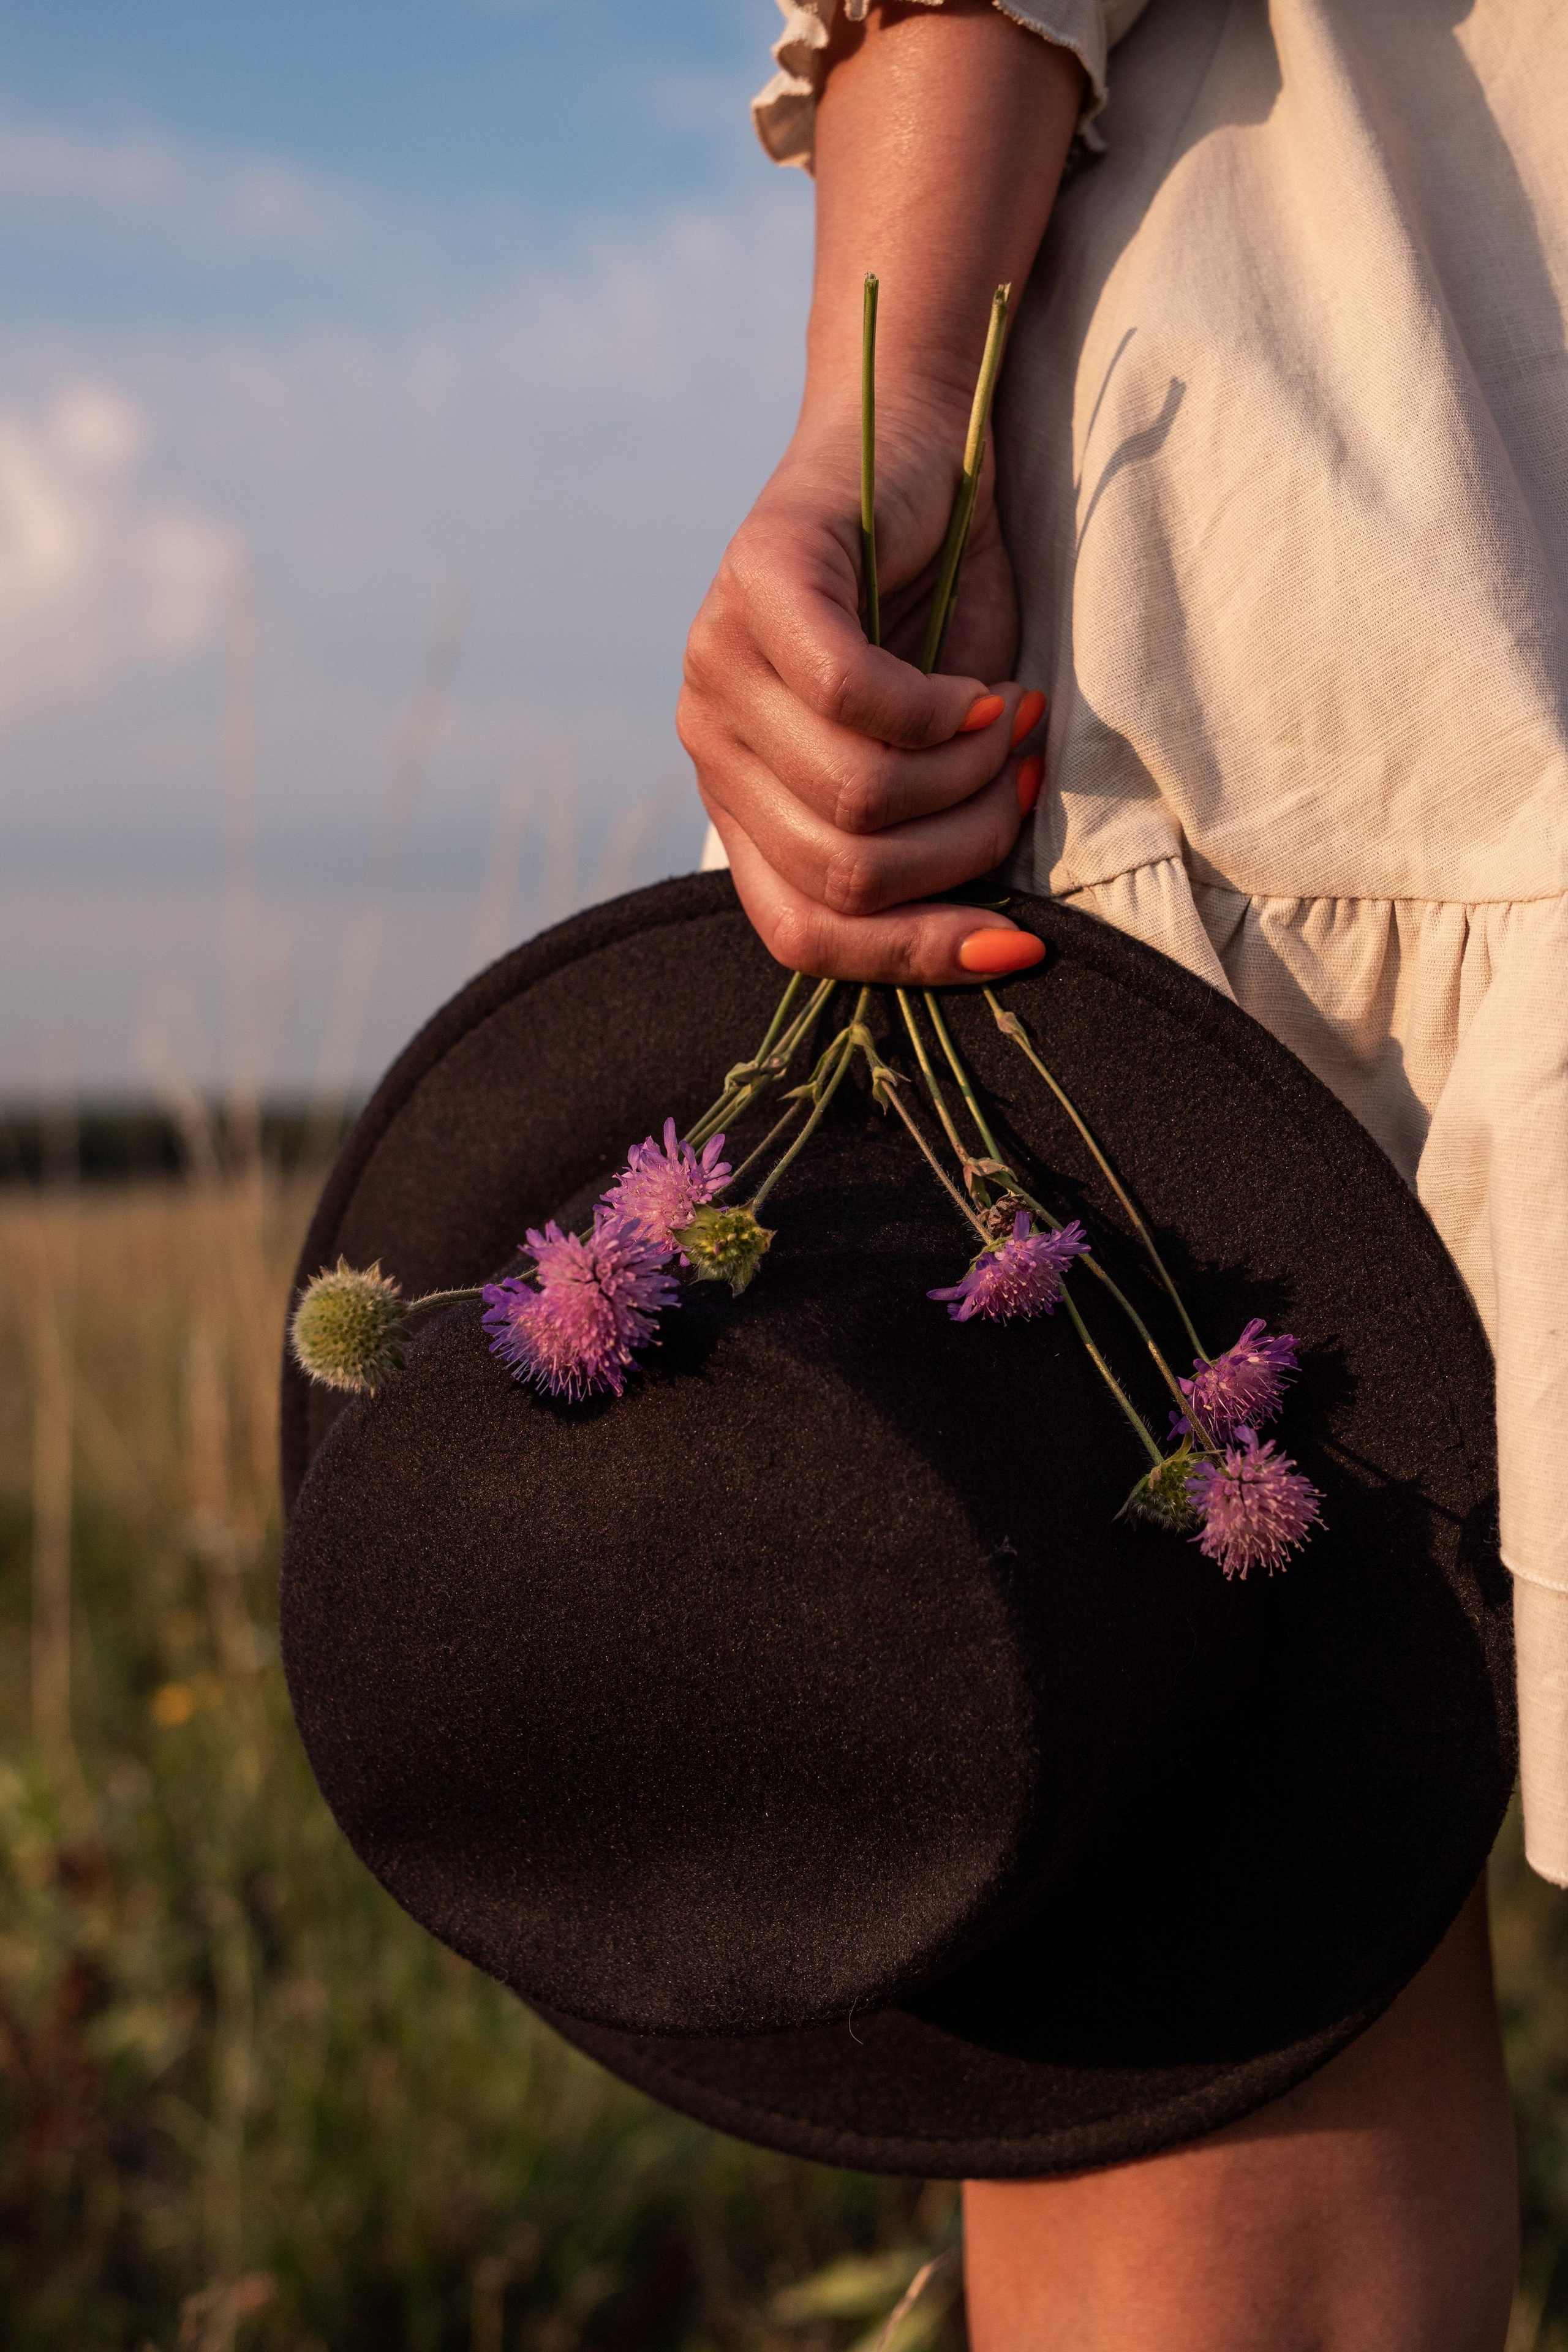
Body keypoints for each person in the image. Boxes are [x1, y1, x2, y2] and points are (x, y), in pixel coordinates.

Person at [680, 1, 1568, 2342]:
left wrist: (885, 441)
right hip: (1318, 593)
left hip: (1307, 577)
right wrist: (892, 452)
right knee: (1217, 1966)